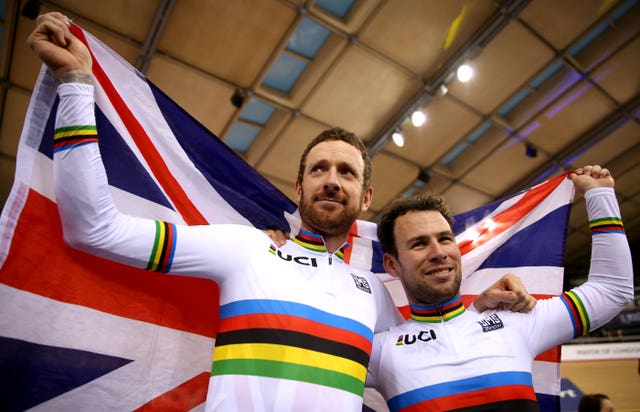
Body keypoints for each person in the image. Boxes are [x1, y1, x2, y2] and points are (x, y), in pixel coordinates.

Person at [27, 12, 536, 411]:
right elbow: (93, 228)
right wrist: (75, 86)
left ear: (365, 200)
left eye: (346, 172)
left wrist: (480, 308)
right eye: (319, 170)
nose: (332, 179)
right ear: (298, 187)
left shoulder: (370, 296)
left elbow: (425, 351)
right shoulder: (245, 248)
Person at [367, 165, 634, 411]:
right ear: (391, 265)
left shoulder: (515, 323)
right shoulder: (380, 351)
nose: (439, 252)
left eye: (445, 239)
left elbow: (611, 290)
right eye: (419, 244)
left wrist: (600, 197)